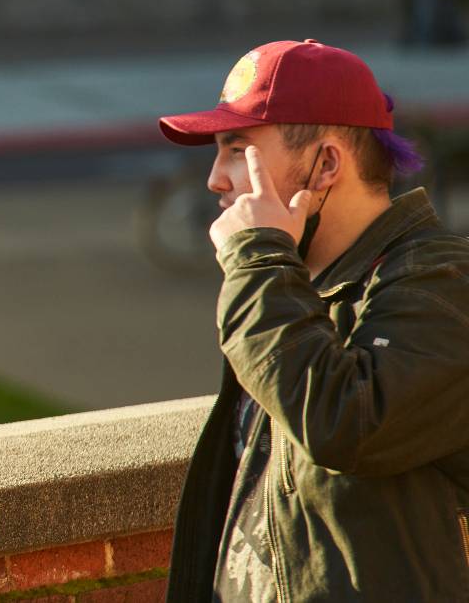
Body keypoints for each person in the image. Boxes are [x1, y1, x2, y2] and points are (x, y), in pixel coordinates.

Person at [157, 39, 469, 602]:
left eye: (236, 149)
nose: (215, 179)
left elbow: (347, 423)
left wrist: (257, 257)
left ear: (326, 163)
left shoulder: (443, 283)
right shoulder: (298, 292)